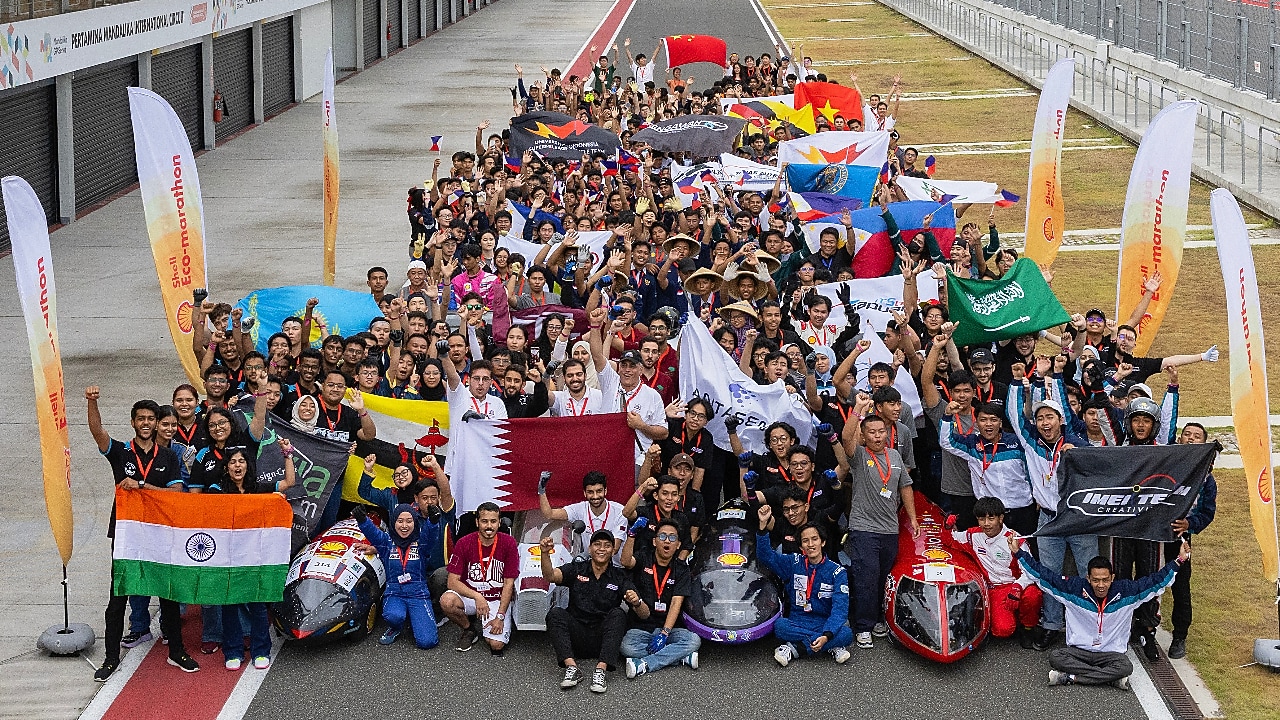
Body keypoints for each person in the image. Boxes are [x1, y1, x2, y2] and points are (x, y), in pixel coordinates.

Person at [85, 387, 200, 681]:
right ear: (133, 422)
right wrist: (92, 401)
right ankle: (111, 658)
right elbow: (97, 432)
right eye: (141, 419)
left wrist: (143, 487)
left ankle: (176, 651)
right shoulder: (122, 451)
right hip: (126, 534)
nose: (146, 423)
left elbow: (176, 492)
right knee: (118, 596)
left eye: (151, 418)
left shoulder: (169, 455)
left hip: (160, 533)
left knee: (168, 594)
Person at [1015, 536, 1190, 689]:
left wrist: (1179, 560)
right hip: (1079, 652)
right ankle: (1109, 679)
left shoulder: (1127, 592)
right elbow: (1043, 575)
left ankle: (1073, 678)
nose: (1101, 585)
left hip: (1112, 655)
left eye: (1105, 580)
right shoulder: (1073, 590)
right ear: (1088, 578)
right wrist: (1019, 553)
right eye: (1096, 580)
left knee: (1125, 666)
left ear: (1112, 578)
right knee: (1056, 657)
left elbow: (1156, 581)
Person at [207, 442, 298, 670]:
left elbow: (289, 483)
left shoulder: (258, 488)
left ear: (248, 465)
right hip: (227, 558)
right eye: (232, 462)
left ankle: (260, 650)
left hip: (255, 556)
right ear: (226, 467)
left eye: (241, 461)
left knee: (258, 606)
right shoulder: (216, 491)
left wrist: (287, 454)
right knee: (229, 606)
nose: (237, 466)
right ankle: (233, 651)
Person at [842, 402, 918, 649]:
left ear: (887, 432)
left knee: (884, 577)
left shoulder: (895, 456)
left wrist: (913, 518)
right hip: (864, 527)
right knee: (866, 576)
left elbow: (905, 487)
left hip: (889, 528)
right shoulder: (860, 456)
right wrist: (857, 411)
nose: (877, 436)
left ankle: (878, 620)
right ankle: (863, 626)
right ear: (864, 436)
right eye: (872, 432)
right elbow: (845, 437)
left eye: (881, 431)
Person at [755, 505, 852, 665]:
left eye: (815, 539)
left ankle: (795, 649)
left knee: (847, 633)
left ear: (823, 542)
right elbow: (766, 557)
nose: (811, 544)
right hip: (797, 621)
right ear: (801, 547)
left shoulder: (837, 572)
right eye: (805, 541)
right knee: (779, 626)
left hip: (825, 622)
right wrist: (762, 526)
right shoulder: (794, 562)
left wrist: (827, 634)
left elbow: (840, 609)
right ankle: (830, 646)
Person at [541, 530, 634, 693]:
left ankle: (601, 670)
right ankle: (572, 668)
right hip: (576, 636)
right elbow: (550, 576)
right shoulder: (577, 568)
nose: (601, 549)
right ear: (590, 549)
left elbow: (643, 611)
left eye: (607, 546)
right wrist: (544, 554)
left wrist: (636, 601)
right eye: (597, 544)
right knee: (555, 614)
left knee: (619, 614)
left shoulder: (620, 576)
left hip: (603, 640)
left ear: (613, 551)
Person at [948, 497, 1042, 646]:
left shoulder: (1015, 539)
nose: (986, 524)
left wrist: (1017, 588)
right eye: (981, 519)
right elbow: (951, 539)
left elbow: (1031, 571)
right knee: (1002, 631)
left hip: (1017, 585)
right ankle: (1013, 617)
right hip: (995, 589)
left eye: (991, 518)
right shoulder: (973, 535)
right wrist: (948, 526)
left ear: (1001, 518)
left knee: (1033, 596)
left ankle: (1028, 628)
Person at [618, 518, 701, 678]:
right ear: (655, 541)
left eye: (672, 537)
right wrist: (632, 535)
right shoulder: (643, 557)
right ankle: (679, 657)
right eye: (662, 536)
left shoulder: (682, 569)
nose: (667, 541)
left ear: (678, 545)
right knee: (626, 647)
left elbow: (677, 602)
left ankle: (644, 664)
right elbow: (626, 561)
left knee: (693, 641)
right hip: (642, 626)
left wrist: (664, 633)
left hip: (669, 629)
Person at [938, 402, 1037, 536]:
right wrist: (948, 416)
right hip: (991, 514)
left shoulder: (1017, 442)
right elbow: (946, 442)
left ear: (1000, 423)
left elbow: (1031, 471)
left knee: (1026, 550)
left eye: (993, 420)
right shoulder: (972, 444)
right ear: (977, 423)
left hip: (1022, 509)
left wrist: (1037, 497)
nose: (988, 424)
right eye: (983, 420)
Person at [353, 504, 440, 649]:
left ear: (415, 523)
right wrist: (363, 519)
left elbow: (430, 535)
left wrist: (433, 521)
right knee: (394, 615)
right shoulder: (386, 542)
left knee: (427, 642)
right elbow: (373, 533)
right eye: (400, 521)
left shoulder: (421, 543)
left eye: (409, 521)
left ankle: (417, 620)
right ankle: (396, 627)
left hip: (418, 594)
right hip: (395, 592)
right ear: (394, 522)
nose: (404, 525)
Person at [1166, 422, 1217, 659]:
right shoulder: (1166, 463)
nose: (1191, 438)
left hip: (1180, 539)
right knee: (1145, 580)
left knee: (1181, 587)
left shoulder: (1207, 480)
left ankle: (1179, 636)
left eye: (1197, 436)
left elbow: (1207, 513)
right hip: (1151, 534)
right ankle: (1141, 628)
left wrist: (1190, 524)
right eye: (1187, 434)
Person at [442, 502, 519, 654]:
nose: (489, 526)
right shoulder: (464, 543)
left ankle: (490, 623)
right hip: (472, 596)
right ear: (477, 522)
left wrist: (500, 616)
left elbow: (509, 583)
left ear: (499, 522)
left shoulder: (509, 543)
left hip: (496, 598)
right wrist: (477, 596)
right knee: (447, 601)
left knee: (496, 645)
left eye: (493, 521)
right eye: (484, 521)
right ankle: (469, 629)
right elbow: (452, 581)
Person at [538, 471, 628, 558]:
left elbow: (614, 549)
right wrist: (541, 491)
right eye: (590, 492)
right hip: (589, 565)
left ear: (605, 491)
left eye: (599, 491)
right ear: (585, 493)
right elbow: (549, 514)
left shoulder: (620, 512)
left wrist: (586, 554)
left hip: (615, 567)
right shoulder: (579, 509)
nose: (595, 496)